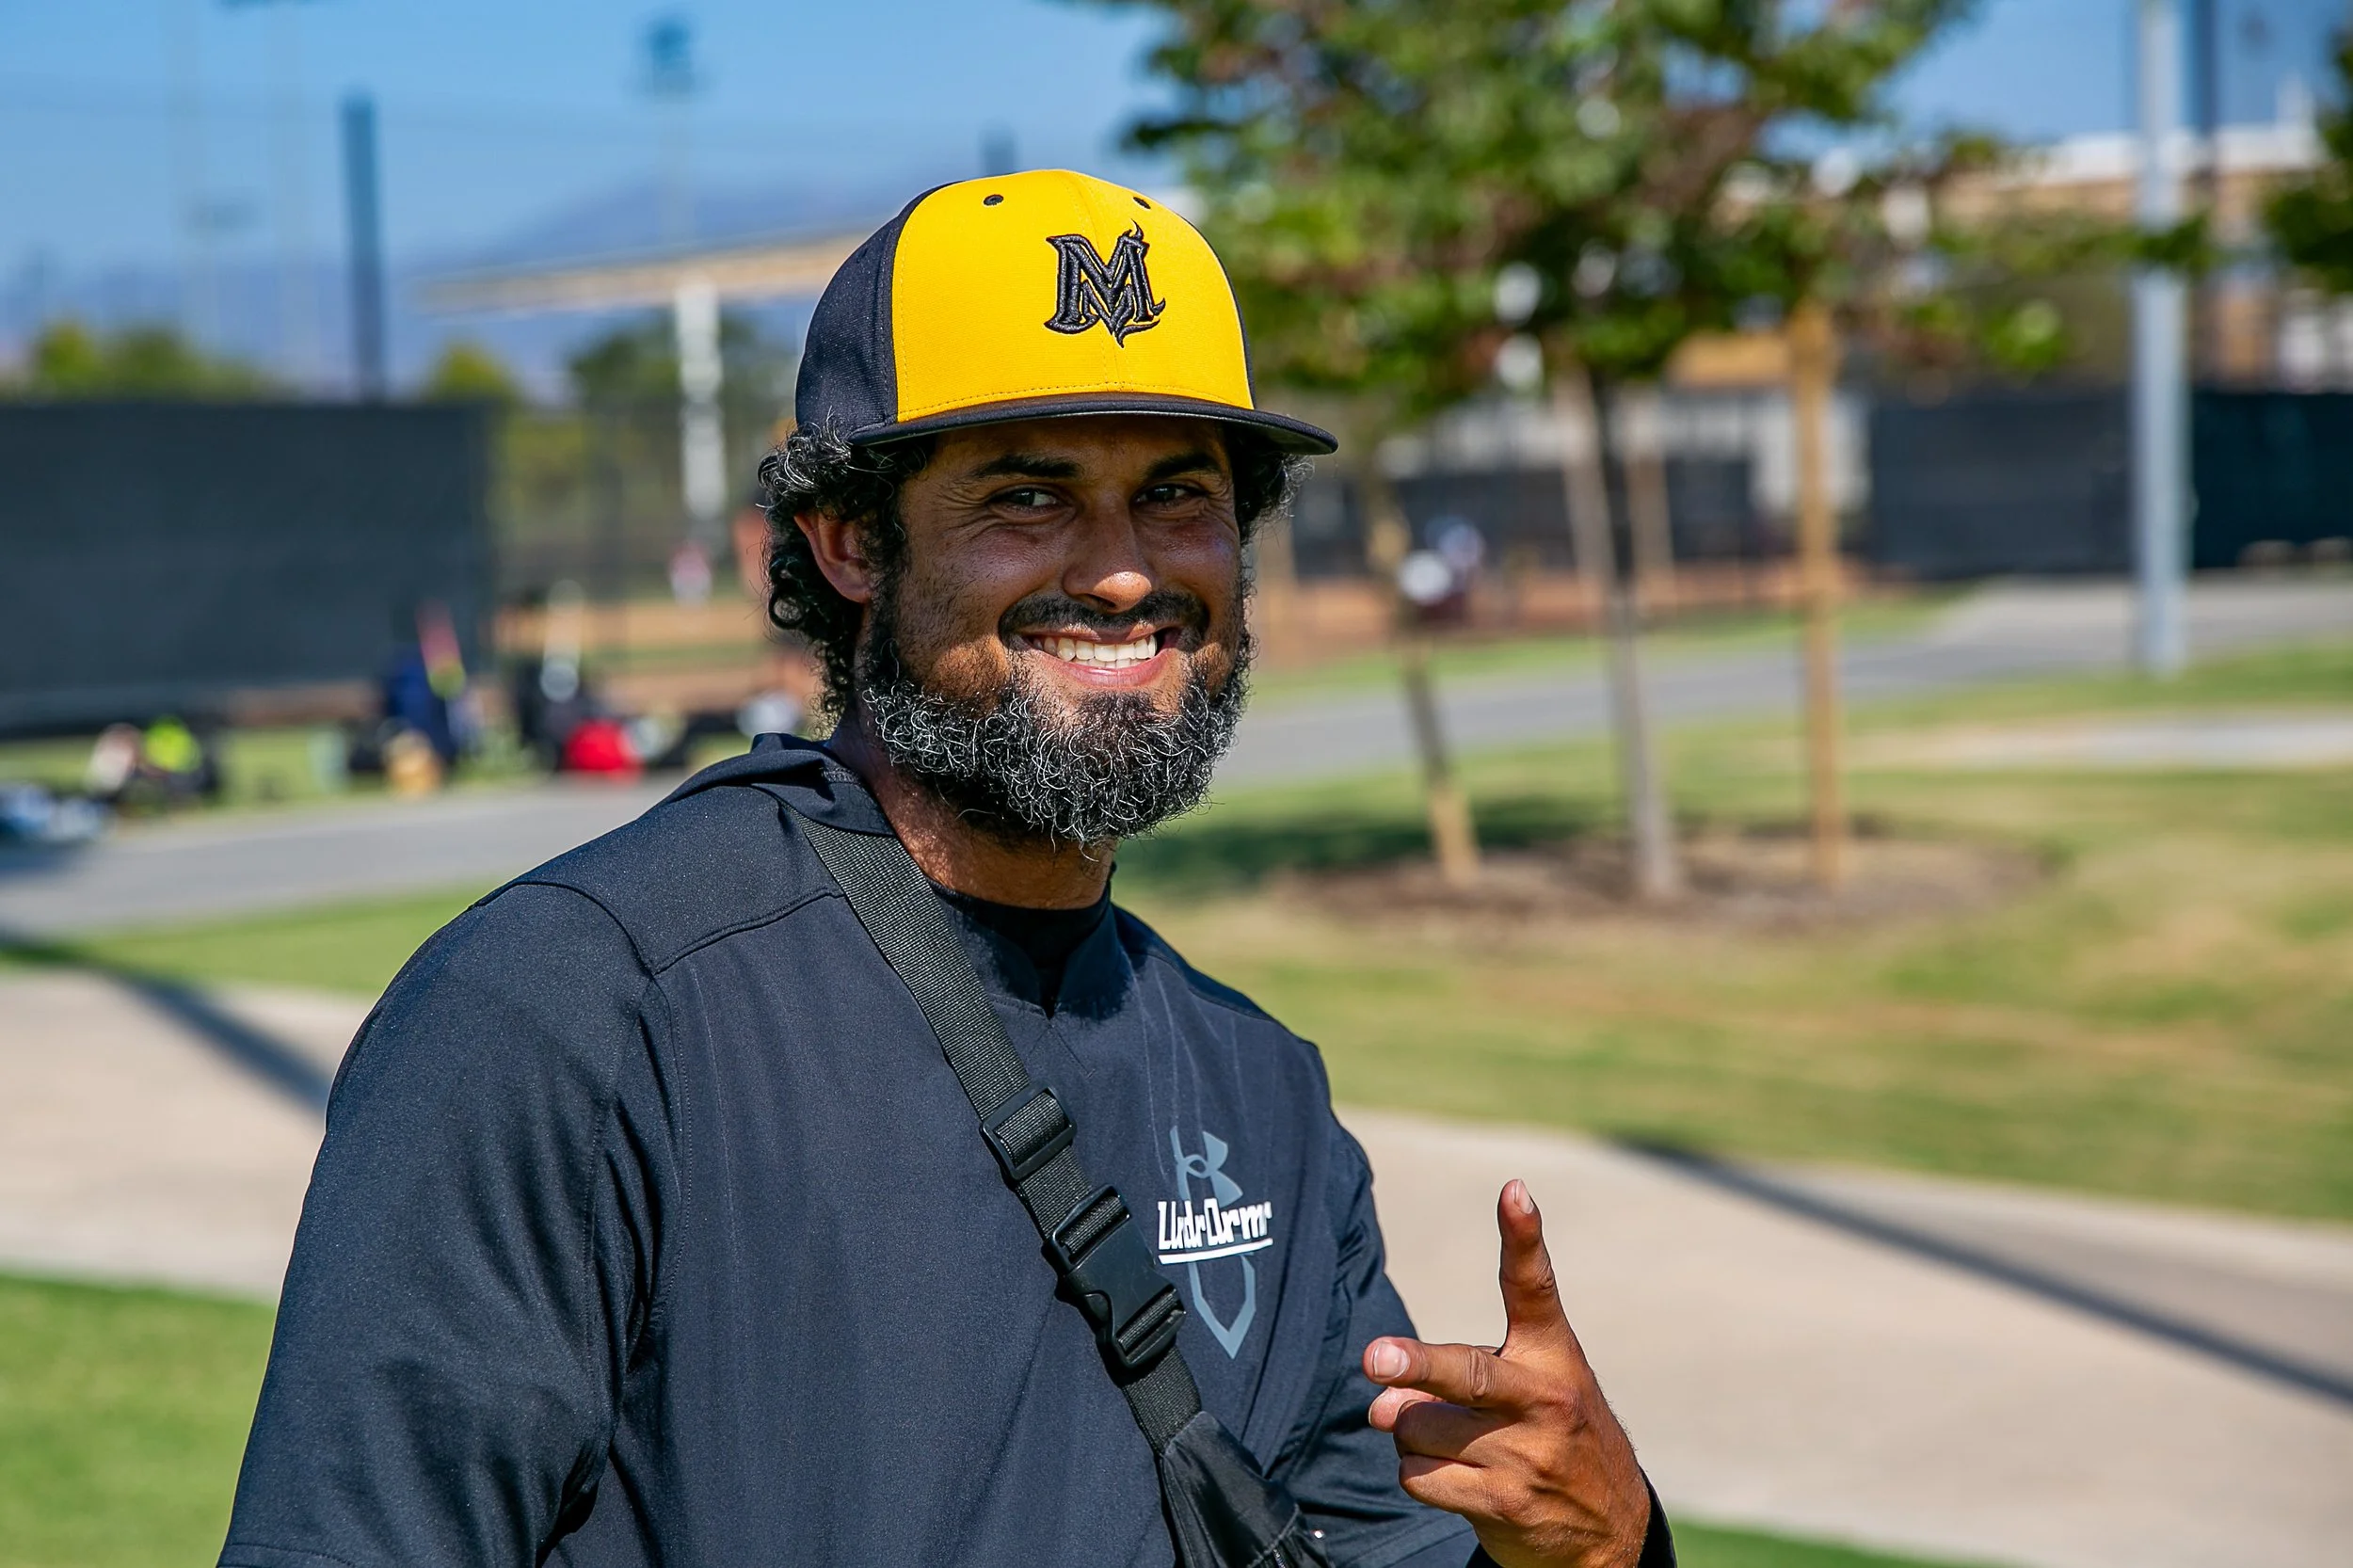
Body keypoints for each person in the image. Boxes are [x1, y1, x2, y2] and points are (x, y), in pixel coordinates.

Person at [219, 169, 1670, 1568]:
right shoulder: (575, 1013)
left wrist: (1600, 1545)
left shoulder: (1258, 1090)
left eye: (1178, 492)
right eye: (1031, 496)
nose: (1123, 571)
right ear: (849, 539)